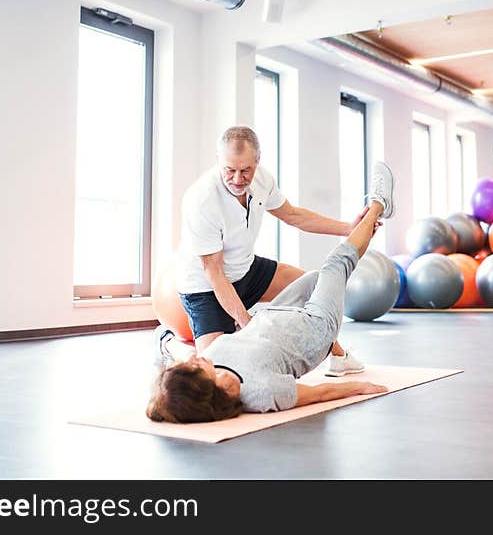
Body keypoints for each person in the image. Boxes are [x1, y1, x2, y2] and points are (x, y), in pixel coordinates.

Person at [147, 161, 395, 422]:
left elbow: (294, 215)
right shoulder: (262, 393)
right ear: (205, 388)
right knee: (336, 263)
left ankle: (163, 341)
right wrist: (359, 388)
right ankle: (379, 205)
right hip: (316, 329)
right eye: (194, 368)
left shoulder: (208, 361)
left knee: (313, 278)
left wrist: (169, 347)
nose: (195, 361)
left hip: (274, 315)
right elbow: (319, 393)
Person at [167, 126, 380, 376]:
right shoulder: (201, 200)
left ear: (257, 161)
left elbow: (293, 215)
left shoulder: (262, 181)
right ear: (218, 161)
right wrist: (249, 328)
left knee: (316, 288)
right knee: (218, 371)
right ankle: (168, 342)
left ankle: (339, 356)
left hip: (246, 269)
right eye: (230, 170)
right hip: (205, 288)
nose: (237, 179)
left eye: (245, 170)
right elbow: (214, 273)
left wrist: (347, 228)